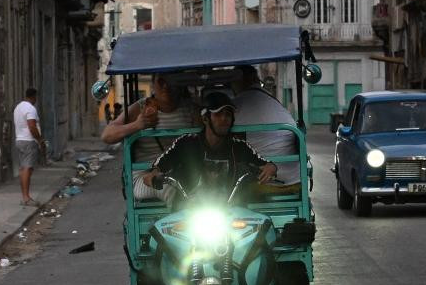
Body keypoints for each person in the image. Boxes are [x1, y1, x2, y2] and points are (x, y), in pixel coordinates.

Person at [141, 92, 277, 202]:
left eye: (228, 115)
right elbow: (162, 163)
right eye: (218, 114)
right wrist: (153, 174)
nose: (224, 119)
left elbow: (264, 163)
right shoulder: (187, 143)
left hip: (229, 209)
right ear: (205, 119)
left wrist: (270, 168)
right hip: (190, 209)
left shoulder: (238, 146)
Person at [101, 73, 198, 163]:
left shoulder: (191, 108)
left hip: (183, 172)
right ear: (153, 84)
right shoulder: (140, 107)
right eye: (161, 81)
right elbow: (107, 136)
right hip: (145, 172)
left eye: (170, 81)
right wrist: (137, 125)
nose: (165, 86)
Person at [231, 65, 298, 158]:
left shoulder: (235, 104)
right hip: (292, 168)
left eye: (233, 81)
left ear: (238, 81)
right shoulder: (274, 102)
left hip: (257, 168)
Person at [13, 88, 45, 206]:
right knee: (27, 168)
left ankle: (24, 196)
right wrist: (40, 140)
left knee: (23, 168)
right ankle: (26, 197)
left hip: (19, 139)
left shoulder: (18, 107)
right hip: (29, 141)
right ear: (33, 96)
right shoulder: (30, 109)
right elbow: (32, 126)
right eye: (36, 97)